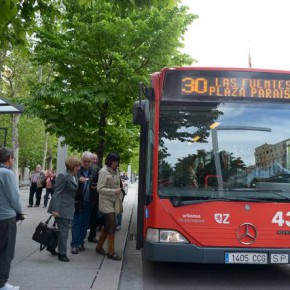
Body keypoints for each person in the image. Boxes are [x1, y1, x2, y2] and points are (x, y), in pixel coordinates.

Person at [48, 156, 81, 262]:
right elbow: (57, 193)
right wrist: (56, 210)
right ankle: (62, 254)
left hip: (68, 206)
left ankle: (52, 247)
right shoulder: (63, 175)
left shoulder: (73, 175)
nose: (79, 168)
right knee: (64, 231)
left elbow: (71, 193)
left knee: (63, 230)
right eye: (77, 166)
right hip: (61, 207)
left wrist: (72, 206)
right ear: (72, 166)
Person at [0, 147, 24, 290]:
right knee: (6, 251)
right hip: (5, 218)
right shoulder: (6, 173)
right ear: (9, 158)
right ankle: (2, 283)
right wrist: (20, 212)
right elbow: (14, 198)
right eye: (13, 158)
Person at [95, 152, 123, 261]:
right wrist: (114, 191)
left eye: (117, 161)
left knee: (108, 225)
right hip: (105, 201)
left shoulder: (116, 171)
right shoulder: (103, 172)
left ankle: (99, 247)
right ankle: (111, 252)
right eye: (115, 161)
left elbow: (117, 185)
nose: (116, 163)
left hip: (114, 200)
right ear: (110, 161)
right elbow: (99, 188)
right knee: (113, 223)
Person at [71, 151, 93, 254]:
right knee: (76, 223)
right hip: (78, 200)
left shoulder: (93, 170)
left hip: (89, 201)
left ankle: (81, 242)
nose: (87, 163)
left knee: (84, 224)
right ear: (81, 159)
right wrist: (78, 181)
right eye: (85, 161)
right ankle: (74, 244)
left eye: (89, 161)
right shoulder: (76, 170)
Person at [87, 153, 101, 243]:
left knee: (94, 218)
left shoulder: (99, 170)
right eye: (93, 159)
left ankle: (92, 236)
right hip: (87, 196)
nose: (95, 161)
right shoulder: (85, 169)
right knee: (87, 217)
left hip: (95, 197)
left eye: (96, 159)